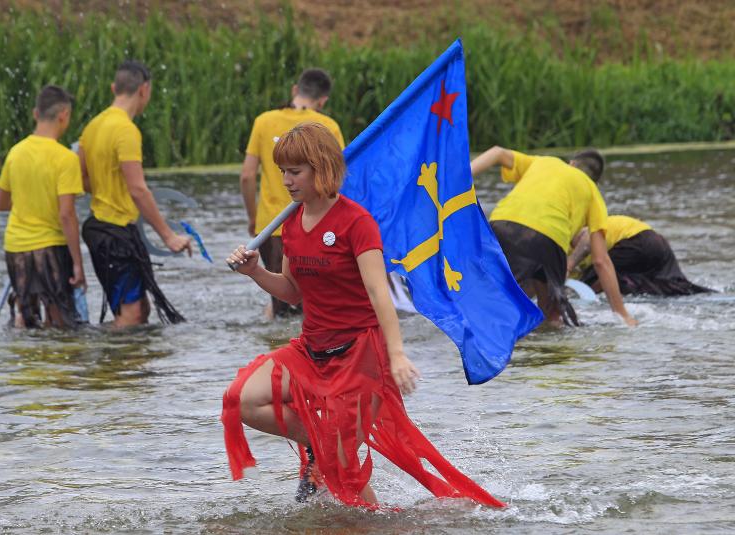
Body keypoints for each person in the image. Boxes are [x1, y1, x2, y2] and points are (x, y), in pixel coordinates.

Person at [222, 123, 504, 509]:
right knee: (242, 400)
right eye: (283, 171)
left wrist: (398, 354)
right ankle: (322, 449)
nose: (286, 181)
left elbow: (379, 294)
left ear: (321, 169)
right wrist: (256, 271)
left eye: (295, 171)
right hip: (311, 350)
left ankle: (373, 519)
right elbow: (291, 291)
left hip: (360, 357)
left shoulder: (356, 222)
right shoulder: (290, 224)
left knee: (340, 464)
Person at [470, 146, 637, 327]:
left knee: (491, 295)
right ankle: (543, 345)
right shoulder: (593, 193)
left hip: (500, 226)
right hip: (548, 239)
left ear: (571, 163)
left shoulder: (544, 161)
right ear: (595, 182)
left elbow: (497, 152)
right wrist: (622, 314)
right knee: (553, 317)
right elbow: (601, 260)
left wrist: (460, 177)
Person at [78, 60, 190, 327]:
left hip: (98, 229)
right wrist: (168, 236)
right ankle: (115, 366)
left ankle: (130, 367)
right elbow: (138, 189)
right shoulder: (126, 130)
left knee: (141, 308)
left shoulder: (92, 126)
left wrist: (107, 189)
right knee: (132, 315)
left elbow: (83, 179)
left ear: (114, 87)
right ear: (144, 90)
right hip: (116, 234)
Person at [240, 68, 345, 318]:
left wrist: (254, 219)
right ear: (323, 101)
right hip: (315, 225)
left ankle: (278, 348)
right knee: (311, 301)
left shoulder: (263, 121)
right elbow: (338, 179)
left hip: (270, 226)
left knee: (280, 306)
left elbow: (246, 176)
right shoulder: (328, 126)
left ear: (295, 90)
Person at [0, 85, 85, 328]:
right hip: (49, 248)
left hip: (15, 247)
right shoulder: (65, 159)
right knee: (59, 321)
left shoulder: (15, 153)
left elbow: (1, 203)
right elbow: (66, 215)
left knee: (26, 316)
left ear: (36, 113)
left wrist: (28, 195)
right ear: (64, 115)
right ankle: (54, 365)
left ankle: (29, 364)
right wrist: (78, 263)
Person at [567, 215, 713, 296]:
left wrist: (571, 263)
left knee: (595, 275)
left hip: (635, 240)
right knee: (673, 287)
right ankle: (710, 295)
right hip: (657, 242)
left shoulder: (575, 234)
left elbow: (586, 238)